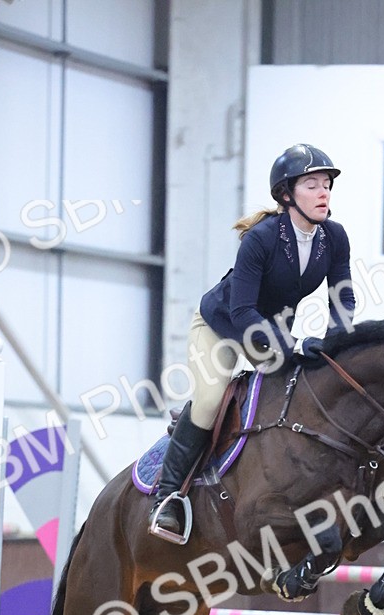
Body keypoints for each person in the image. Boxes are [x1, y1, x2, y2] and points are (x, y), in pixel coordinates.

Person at [150, 143, 356, 540]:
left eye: (327, 184)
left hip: (271, 329)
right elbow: (243, 312)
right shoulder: (260, 240)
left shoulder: (334, 237)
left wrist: (336, 339)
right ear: (286, 195)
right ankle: (168, 496)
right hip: (222, 325)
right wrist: (292, 344)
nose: (324, 192)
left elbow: (342, 297)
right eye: (312, 184)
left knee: (299, 396)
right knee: (210, 400)